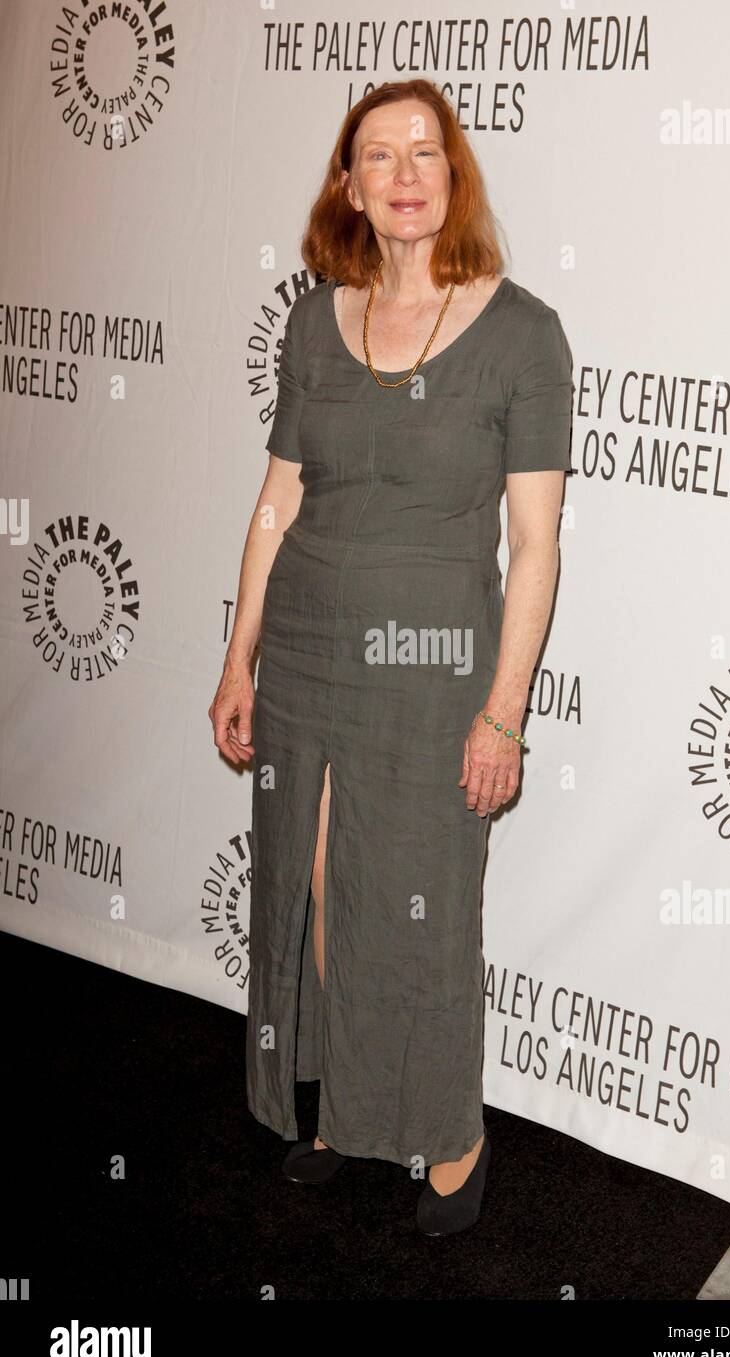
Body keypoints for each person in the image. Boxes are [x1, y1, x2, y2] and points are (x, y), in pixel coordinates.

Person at [208, 78, 574, 1236]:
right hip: (307, 654)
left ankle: (450, 1129)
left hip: (433, 670)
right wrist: (237, 662)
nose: (406, 171)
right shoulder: (316, 320)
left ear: (452, 175)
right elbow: (275, 503)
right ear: (350, 185)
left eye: (427, 150)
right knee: (319, 892)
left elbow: (534, 542)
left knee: (422, 906)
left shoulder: (523, 332)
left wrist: (503, 710)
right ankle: (344, 1108)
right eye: (379, 153)